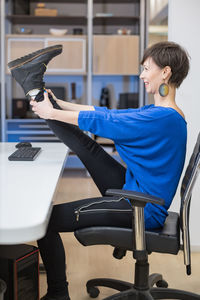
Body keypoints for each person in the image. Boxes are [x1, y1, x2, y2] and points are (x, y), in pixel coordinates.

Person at [8, 41, 190, 300]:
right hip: (136, 190)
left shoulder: (162, 118)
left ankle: (58, 293)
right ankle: (33, 87)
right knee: (88, 147)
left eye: (146, 68)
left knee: (44, 222)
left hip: (141, 208)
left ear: (166, 72)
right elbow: (109, 113)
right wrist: (58, 104)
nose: (141, 75)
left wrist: (53, 112)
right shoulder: (163, 113)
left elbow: (109, 121)